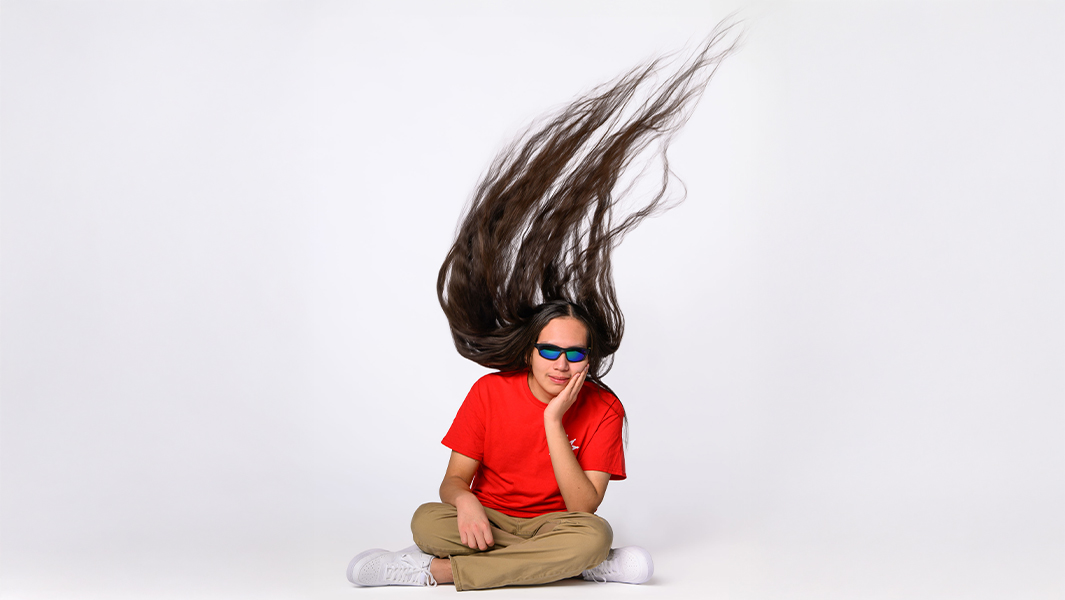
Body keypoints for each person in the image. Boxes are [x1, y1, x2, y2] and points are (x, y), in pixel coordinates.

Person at [347, 21, 741, 591]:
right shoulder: (490, 394)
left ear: (589, 359)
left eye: (575, 354)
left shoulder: (602, 409)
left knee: (591, 532)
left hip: (561, 525)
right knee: (428, 520)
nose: (561, 363)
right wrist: (467, 504)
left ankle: (440, 572)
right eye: (550, 350)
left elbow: (582, 506)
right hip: (493, 522)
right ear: (529, 351)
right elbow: (453, 481)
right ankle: (579, 566)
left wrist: (555, 420)